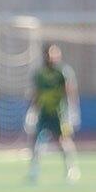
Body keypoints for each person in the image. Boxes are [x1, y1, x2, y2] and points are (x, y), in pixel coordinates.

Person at [26, 43, 80, 183]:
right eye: (49, 54)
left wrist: (72, 111)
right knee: (37, 143)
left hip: (59, 113)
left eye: (55, 54)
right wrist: (31, 112)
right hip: (44, 113)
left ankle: (71, 169)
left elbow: (70, 92)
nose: (52, 57)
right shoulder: (39, 74)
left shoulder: (63, 72)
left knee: (63, 142)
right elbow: (36, 94)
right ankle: (34, 171)